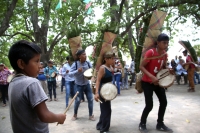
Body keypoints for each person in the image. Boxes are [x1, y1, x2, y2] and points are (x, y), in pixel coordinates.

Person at [8, 40, 66, 132]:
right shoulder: (31, 83)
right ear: (21, 64)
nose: (40, 66)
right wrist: (59, 117)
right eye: (36, 61)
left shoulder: (12, 82)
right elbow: (45, 115)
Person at [139, 33, 173, 133]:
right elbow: (141, 67)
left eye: (167, 43)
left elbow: (162, 67)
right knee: (149, 105)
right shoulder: (151, 53)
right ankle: (142, 124)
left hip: (158, 83)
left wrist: (168, 70)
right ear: (158, 42)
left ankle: (160, 124)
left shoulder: (164, 54)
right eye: (164, 43)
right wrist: (151, 77)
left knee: (164, 102)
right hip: (147, 82)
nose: (166, 45)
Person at [69, 49, 95, 121]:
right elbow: (70, 74)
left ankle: (91, 115)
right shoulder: (75, 64)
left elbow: (92, 70)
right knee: (77, 100)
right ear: (79, 56)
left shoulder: (88, 63)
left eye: (85, 54)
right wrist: (77, 71)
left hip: (86, 84)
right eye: (83, 54)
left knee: (90, 99)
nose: (85, 55)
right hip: (78, 85)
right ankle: (75, 115)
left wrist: (92, 76)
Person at [95, 51, 115, 133]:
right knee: (106, 110)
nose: (113, 60)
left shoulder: (110, 67)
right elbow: (98, 81)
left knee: (105, 109)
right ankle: (104, 129)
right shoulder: (102, 68)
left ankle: (100, 125)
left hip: (108, 91)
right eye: (112, 59)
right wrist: (97, 93)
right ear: (106, 59)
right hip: (103, 92)